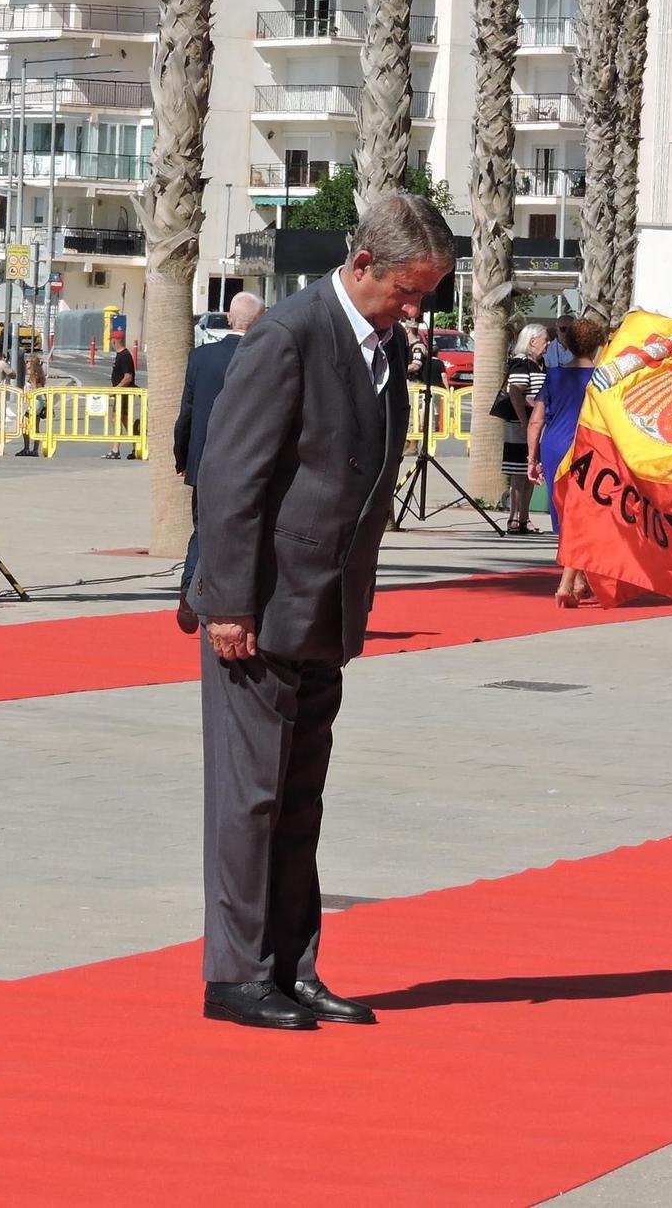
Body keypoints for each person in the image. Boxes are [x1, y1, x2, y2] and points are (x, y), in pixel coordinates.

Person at [188, 191, 452, 1030]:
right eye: (408, 291)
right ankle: (235, 975)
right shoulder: (288, 336)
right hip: (259, 608)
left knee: (300, 799)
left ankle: (293, 968)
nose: (415, 309)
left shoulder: (379, 345)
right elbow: (232, 480)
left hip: (323, 609)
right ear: (363, 264)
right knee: (251, 797)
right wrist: (228, 603)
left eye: (427, 294)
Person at [174, 293, 264, 632]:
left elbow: (187, 413)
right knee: (244, 534)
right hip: (249, 464)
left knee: (202, 530)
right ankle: (233, 602)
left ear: (229, 319)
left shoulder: (202, 357)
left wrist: (183, 457)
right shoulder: (263, 357)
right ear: (260, 322)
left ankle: (188, 591)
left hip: (204, 463)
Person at [527, 316, 608, 605]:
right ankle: (568, 583)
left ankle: (578, 581)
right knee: (585, 515)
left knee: (564, 516)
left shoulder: (554, 375)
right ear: (598, 343)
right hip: (589, 448)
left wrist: (532, 458)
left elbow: (536, 420)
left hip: (554, 447)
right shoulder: (603, 379)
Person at [501, 323, 549, 532]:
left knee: (530, 472)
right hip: (522, 424)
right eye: (545, 340)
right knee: (518, 473)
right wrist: (523, 421)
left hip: (535, 424)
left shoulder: (541, 364)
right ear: (532, 342)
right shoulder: (521, 363)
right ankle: (514, 517)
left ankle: (524, 516)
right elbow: (515, 393)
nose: (548, 344)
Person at [105, 329, 139, 459]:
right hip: (121, 393)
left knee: (117, 419)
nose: (111, 343)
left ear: (115, 341)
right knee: (124, 420)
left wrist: (116, 389)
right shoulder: (121, 355)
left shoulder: (124, 356)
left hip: (123, 393)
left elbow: (128, 377)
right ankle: (136, 447)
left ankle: (116, 450)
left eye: (111, 341)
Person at [17, 352, 49, 458]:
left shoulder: (33, 375)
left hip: (35, 402)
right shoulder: (40, 373)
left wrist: (28, 393)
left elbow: (35, 389)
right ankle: (35, 450)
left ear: (32, 363)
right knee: (36, 427)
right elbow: (41, 388)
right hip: (40, 402)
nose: (26, 364)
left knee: (24, 424)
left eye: (27, 362)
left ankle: (26, 448)